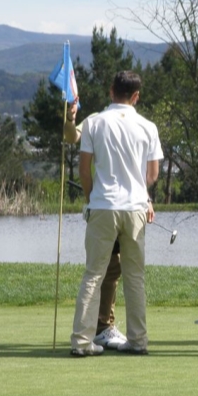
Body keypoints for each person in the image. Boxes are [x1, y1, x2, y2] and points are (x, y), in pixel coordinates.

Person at [70, 70, 163, 357]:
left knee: (93, 275)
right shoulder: (148, 126)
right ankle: (138, 340)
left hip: (103, 206)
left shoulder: (95, 123)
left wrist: (90, 199)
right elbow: (153, 173)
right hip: (135, 208)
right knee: (134, 277)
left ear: (111, 91)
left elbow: (84, 169)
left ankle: (83, 342)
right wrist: (138, 191)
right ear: (136, 96)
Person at [64, 103, 129, 350]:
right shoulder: (95, 119)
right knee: (105, 269)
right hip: (106, 205)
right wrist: (70, 119)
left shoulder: (136, 122)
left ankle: (103, 325)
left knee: (116, 267)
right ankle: (101, 327)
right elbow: (72, 136)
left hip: (126, 206)